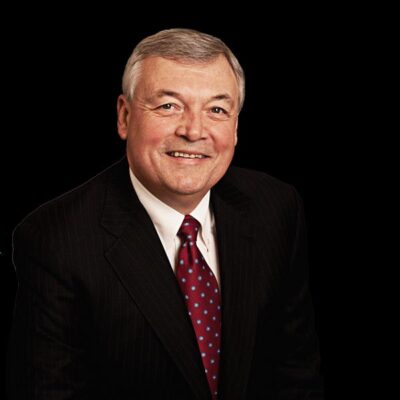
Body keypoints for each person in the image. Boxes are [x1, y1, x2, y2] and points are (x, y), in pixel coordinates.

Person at [7, 28, 324, 399]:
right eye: (169, 106)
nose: (194, 130)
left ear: (236, 127)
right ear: (125, 116)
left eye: (217, 110)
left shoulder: (276, 208)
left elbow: (296, 376)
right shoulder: (56, 240)